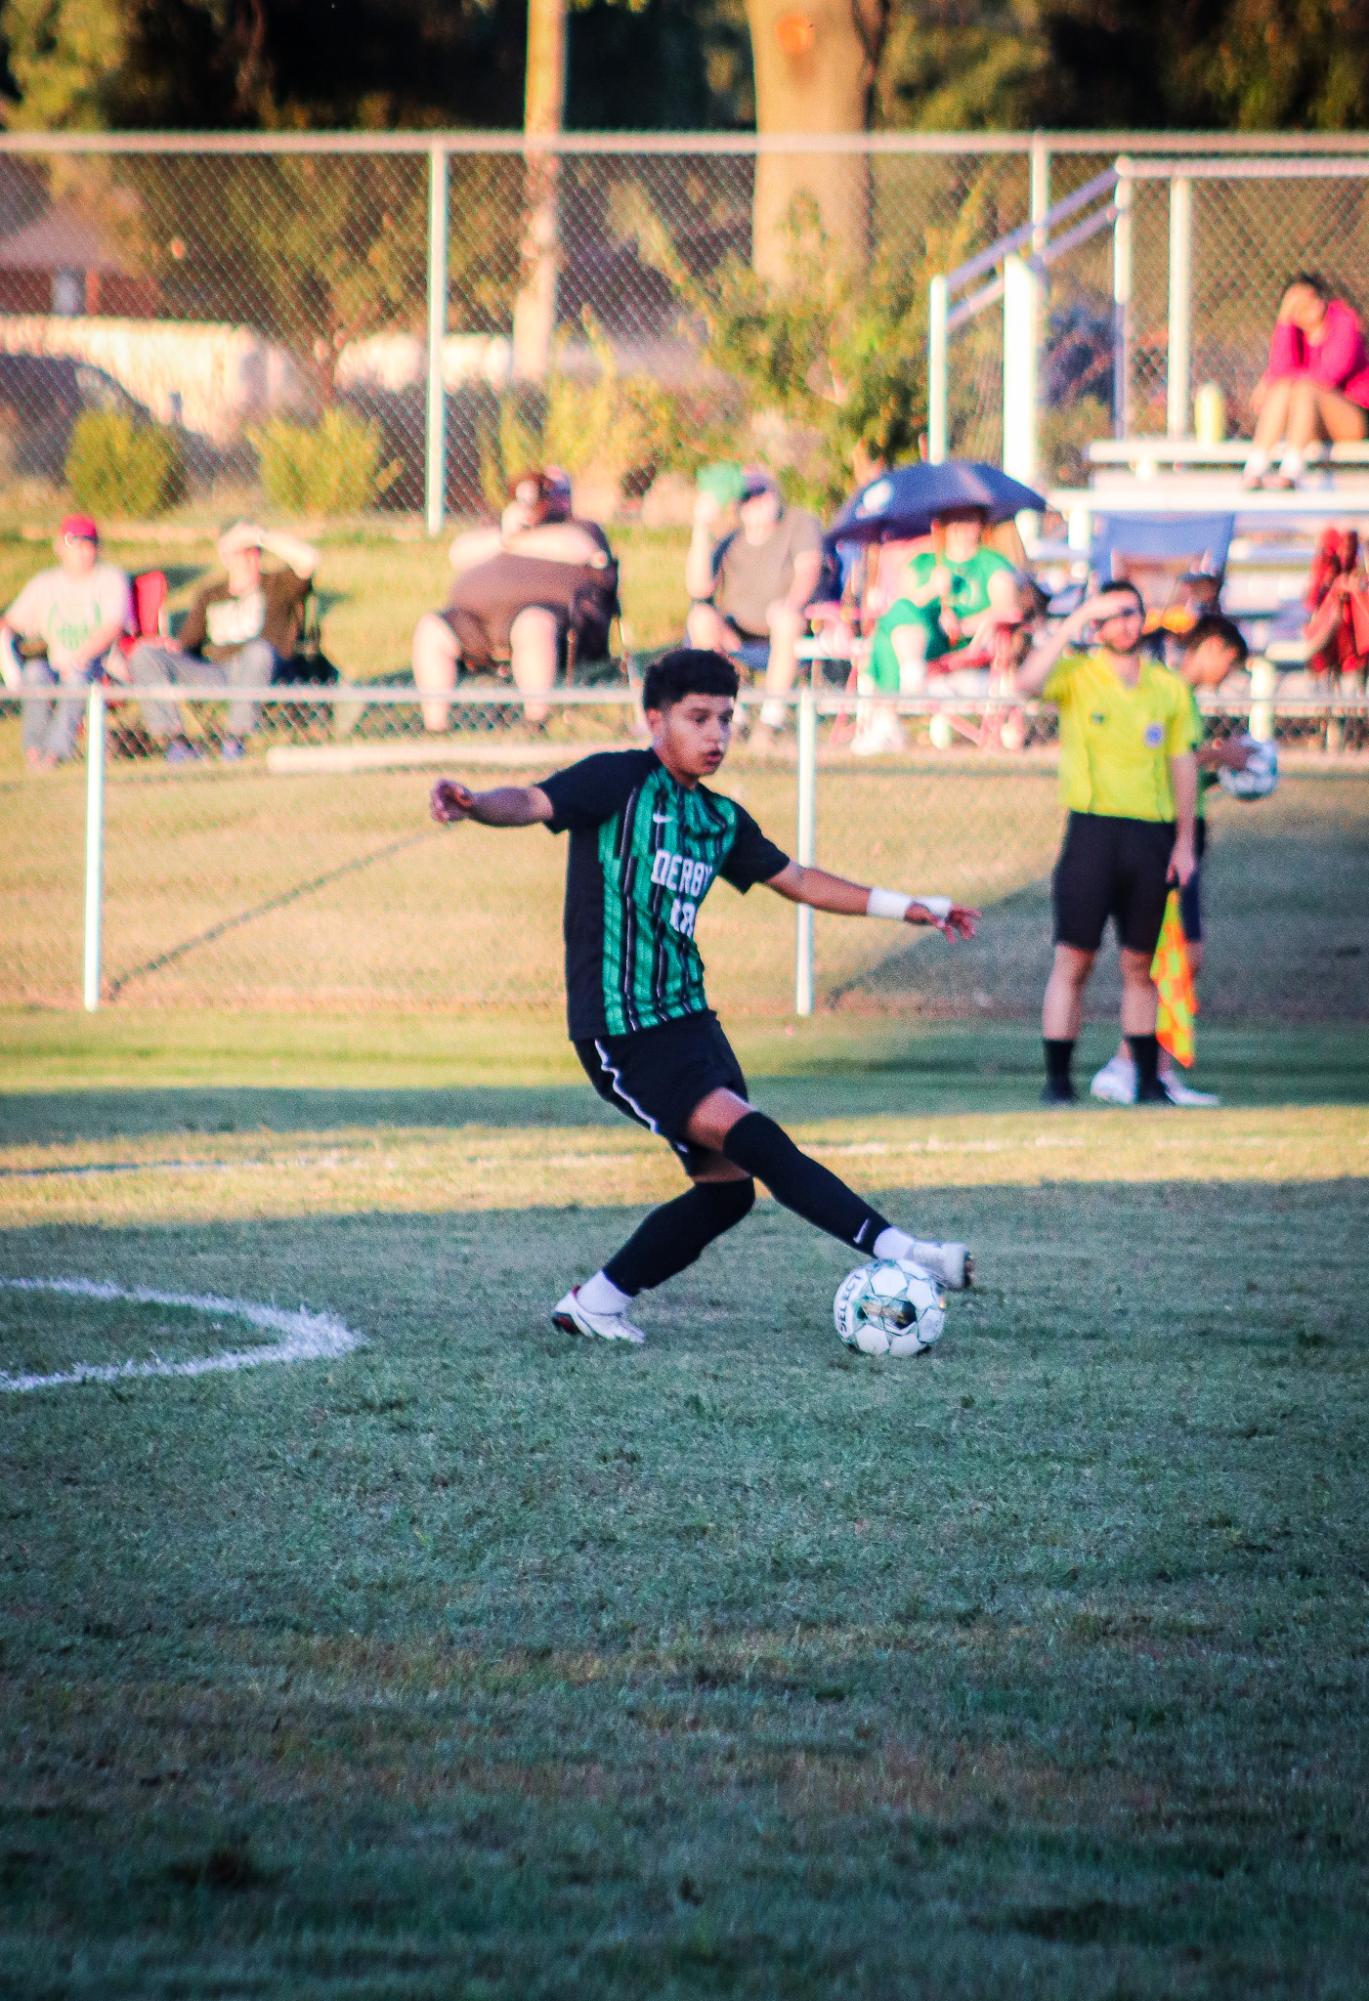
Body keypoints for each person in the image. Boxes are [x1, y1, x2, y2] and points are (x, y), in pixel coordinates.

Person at [429, 646, 981, 1346]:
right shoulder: (617, 781)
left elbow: (801, 880)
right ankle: (901, 1251)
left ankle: (593, 1303)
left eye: (726, 718)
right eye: (698, 718)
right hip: (623, 1026)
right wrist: (476, 805)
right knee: (755, 1135)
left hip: (691, 1022)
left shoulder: (719, 819)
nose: (717, 734)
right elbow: (533, 801)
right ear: (654, 718)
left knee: (726, 1192)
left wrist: (913, 905)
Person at [1014, 582, 1198, 1108]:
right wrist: (1073, 623)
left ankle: (1145, 1081)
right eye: (1111, 615)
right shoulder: (1078, 676)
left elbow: (1183, 764)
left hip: (1149, 836)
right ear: (1097, 625)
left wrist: (1184, 843)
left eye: (1131, 613)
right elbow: (1026, 683)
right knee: (1074, 960)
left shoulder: (1168, 688)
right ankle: (1058, 1082)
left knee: (1140, 966)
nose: (1123, 623)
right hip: (1092, 833)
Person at [1089, 613, 1251, 1108]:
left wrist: (1220, 771)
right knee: (1173, 957)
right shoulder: (1167, 693)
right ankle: (1126, 1065)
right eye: (1232, 661)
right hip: (1164, 839)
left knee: (1182, 958)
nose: (1230, 673)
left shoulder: (1183, 698)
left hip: (1184, 834)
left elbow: (1184, 768)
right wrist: (1220, 758)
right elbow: (1161, 760)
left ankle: (1154, 1068)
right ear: (1215, 648)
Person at [412, 470, 617, 731]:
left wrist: (517, 539)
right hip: (478, 625)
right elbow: (459, 553)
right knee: (432, 629)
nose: (544, 500)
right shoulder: (500, 529)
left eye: (554, 492)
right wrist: (506, 535)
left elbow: (582, 549)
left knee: (532, 624)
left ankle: (534, 721)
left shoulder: (579, 527)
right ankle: (435, 727)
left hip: (556, 625)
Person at [127, 519, 318, 762]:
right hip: (216, 673)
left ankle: (235, 739)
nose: (249, 558)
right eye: (240, 552)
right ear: (226, 557)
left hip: (264, 670)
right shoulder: (211, 594)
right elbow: (186, 645)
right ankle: (176, 743)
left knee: (258, 651)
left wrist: (259, 535)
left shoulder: (277, 585)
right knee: (144, 655)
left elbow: (309, 560)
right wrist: (164, 646)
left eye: (254, 552)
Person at [854, 506, 1021, 754]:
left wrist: (964, 625)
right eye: (956, 520)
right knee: (898, 615)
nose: (962, 529)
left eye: (969, 520)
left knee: (885, 636)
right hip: (921, 641)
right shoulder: (924, 563)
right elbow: (902, 606)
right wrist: (931, 589)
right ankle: (910, 670)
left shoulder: (992, 565)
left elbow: (1008, 610)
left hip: (964, 648)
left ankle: (887, 719)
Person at [685, 468, 824, 749]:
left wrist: (791, 603)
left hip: (786, 627)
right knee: (701, 619)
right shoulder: (731, 539)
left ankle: (770, 721)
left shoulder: (798, 523)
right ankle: (730, 715)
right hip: (739, 631)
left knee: (786, 620)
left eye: (764, 491)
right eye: (748, 495)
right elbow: (699, 589)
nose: (759, 500)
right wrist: (700, 527)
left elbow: (809, 569)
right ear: (738, 504)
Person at [0, 514, 132, 770]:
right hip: (57, 666)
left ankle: (55, 753)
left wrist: (80, 656)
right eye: (75, 544)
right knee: (35, 672)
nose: (82, 552)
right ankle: (35, 751)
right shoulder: (46, 583)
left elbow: (112, 627)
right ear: (60, 546)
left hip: (101, 666)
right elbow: (13, 622)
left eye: (88, 544)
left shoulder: (110, 578)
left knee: (77, 674)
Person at [1242, 273, 1369, 490]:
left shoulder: (1344, 321)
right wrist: (1283, 321)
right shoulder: (1294, 332)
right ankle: (1255, 468)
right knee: (1283, 388)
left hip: (1352, 418)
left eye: (1309, 297)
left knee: (1303, 388)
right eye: (1293, 304)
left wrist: (1271, 379)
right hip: (1309, 423)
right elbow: (1280, 370)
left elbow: (1330, 375)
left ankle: (1291, 472)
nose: (1305, 306)